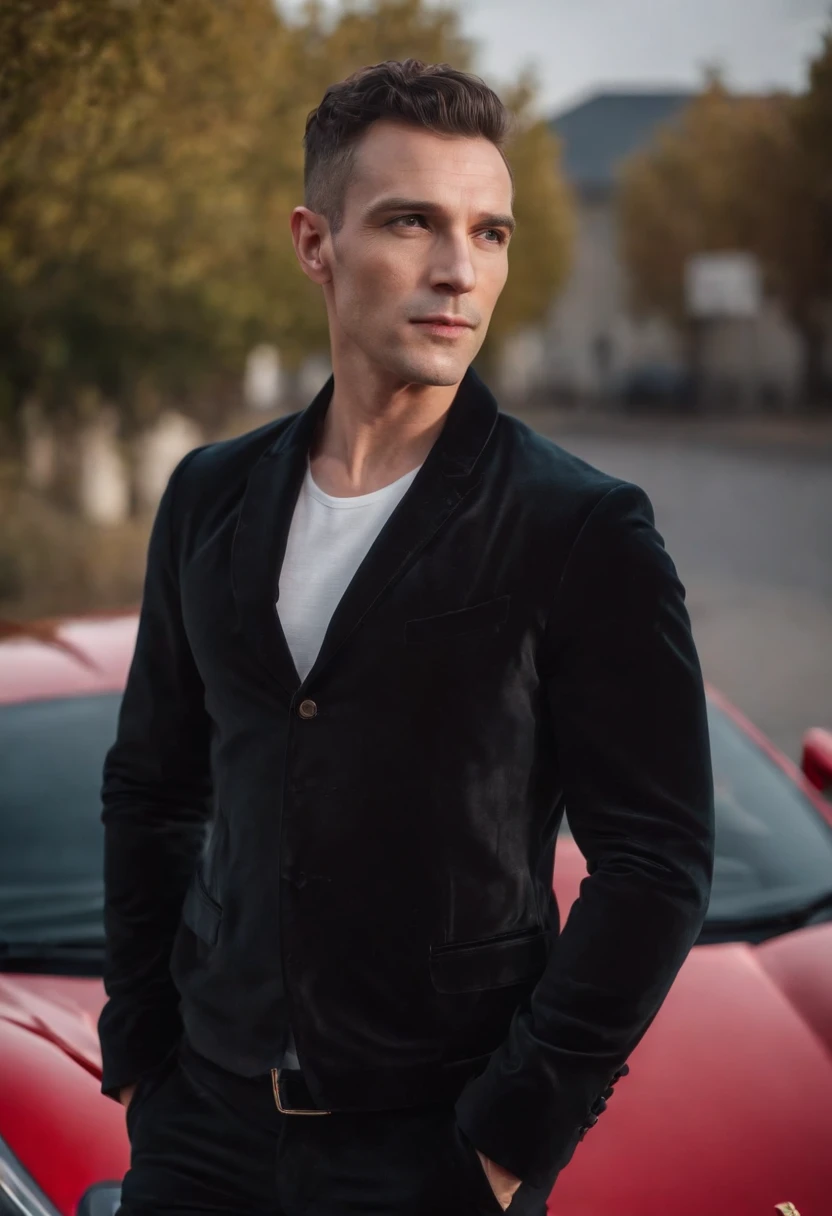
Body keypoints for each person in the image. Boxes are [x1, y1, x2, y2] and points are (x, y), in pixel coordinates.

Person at [100, 58, 715, 1216]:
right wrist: (141, 1051)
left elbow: (656, 864)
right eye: (411, 222)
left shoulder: (580, 527)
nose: (458, 271)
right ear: (312, 242)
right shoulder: (207, 495)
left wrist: (506, 1141)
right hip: (201, 1134)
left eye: (490, 233)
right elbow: (152, 786)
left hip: (431, 1153)